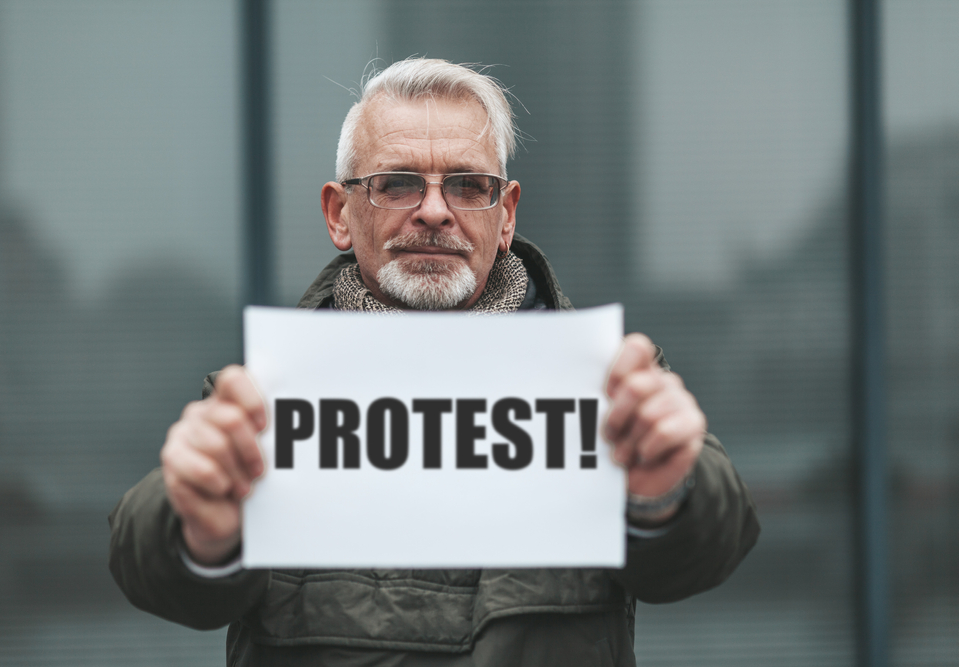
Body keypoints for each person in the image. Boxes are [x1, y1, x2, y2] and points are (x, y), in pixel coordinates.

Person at [109, 58, 759, 667]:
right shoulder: (264, 395)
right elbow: (151, 566)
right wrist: (199, 531)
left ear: (505, 217)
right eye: (396, 184)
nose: (434, 210)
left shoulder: (607, 389)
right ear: (340, 214)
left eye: (468, 185)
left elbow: (706, 549)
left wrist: (666, 496)